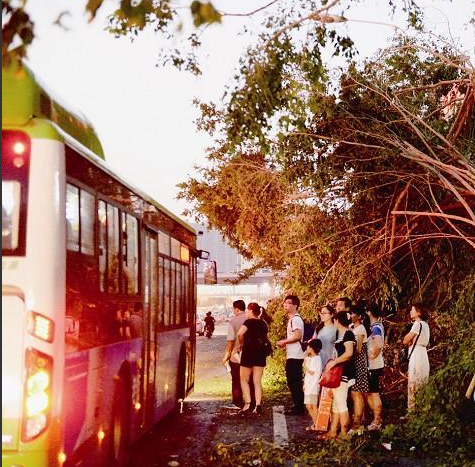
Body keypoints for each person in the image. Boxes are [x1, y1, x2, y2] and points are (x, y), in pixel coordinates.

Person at [318, 311, 356, 440]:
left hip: (344, 372)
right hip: (339, 372)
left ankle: (344, 433)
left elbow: (349, 353)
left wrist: (334, 362)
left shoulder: (348, 334)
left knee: (341, 403)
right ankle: (333, 431)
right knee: (336, 403)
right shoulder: (340, 334)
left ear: (337, 321)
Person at [237, 302, 269, 415]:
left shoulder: (248, 322)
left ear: (250, 310)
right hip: (260, 354)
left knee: (244, 379)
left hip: (248, 353)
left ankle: (248, 404)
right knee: (257, 381)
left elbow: (240, 334)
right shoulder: (263, 323)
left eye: (247, 310)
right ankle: (258, 405)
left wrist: (241, 344)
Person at [276, 294, 305, 416]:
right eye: (285, 302)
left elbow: (298, 336)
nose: (285, 305)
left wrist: (284, 341)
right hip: (293, 354)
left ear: (295, 305)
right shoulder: (292, 320)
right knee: (293, 381)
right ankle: (298, 405)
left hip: (296, 355)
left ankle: (299, 407)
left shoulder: (296, 319)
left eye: (288, 303)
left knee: (294, 381)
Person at [222, 300, 254, 409]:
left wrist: (226, 355)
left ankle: (238, 402)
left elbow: (230, 340)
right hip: (251, 355)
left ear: (236, 309)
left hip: (236, 356)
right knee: (250, 379)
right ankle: (253, 401)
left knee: (236, 379)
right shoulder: (252, 319)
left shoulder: (233, 321)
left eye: (233, 309)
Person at [403, 303, 430, 410]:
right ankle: (422, 409)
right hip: (423, 354)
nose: (411, 311)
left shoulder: (417, 324)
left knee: (414, 381)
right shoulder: (426, 325)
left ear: (419, 312)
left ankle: (412, 411)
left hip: (416, 355)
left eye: (413, 309)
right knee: (422, 381)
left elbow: (405, 340)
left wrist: (408, 340)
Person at [348, 304, 370, 434]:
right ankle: (359, 419)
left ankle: (358, 422)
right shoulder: (352, 328)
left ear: (360, 316)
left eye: (353, 314)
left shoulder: (361, 329)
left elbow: (359, 349)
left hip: (359, 362)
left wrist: (348, 352)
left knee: (358, 391)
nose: (351, 316)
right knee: (355, 392)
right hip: (353, 362)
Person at [366, 302, 384, 431]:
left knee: (374, 392)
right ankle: (375, 418)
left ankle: (377, 420)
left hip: (374, 365)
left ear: (369, 313)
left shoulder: (375, 327)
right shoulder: (374, 326)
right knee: (370, 392)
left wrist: (374, 354)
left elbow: (379, 343)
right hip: (373, 365)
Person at [303, 338, 323, 431]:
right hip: (309, 386)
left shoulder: (317, 359)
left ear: (311, 348)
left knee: (313, 405)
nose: (307, 348)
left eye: (308, 346)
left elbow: (312, 372)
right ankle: (316, 423)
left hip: (314, 386)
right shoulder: (311, 358)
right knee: (308, 405)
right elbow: (307, 374)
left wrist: (305, 366)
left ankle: (317, 424)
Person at [311, 304, 336, 369]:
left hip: (331, 363)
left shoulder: (336, 328)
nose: (322, 315)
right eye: (321, 313)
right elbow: (312, 343)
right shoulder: (318, 329)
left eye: (324, 313)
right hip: (318, 362)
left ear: (332, 315)